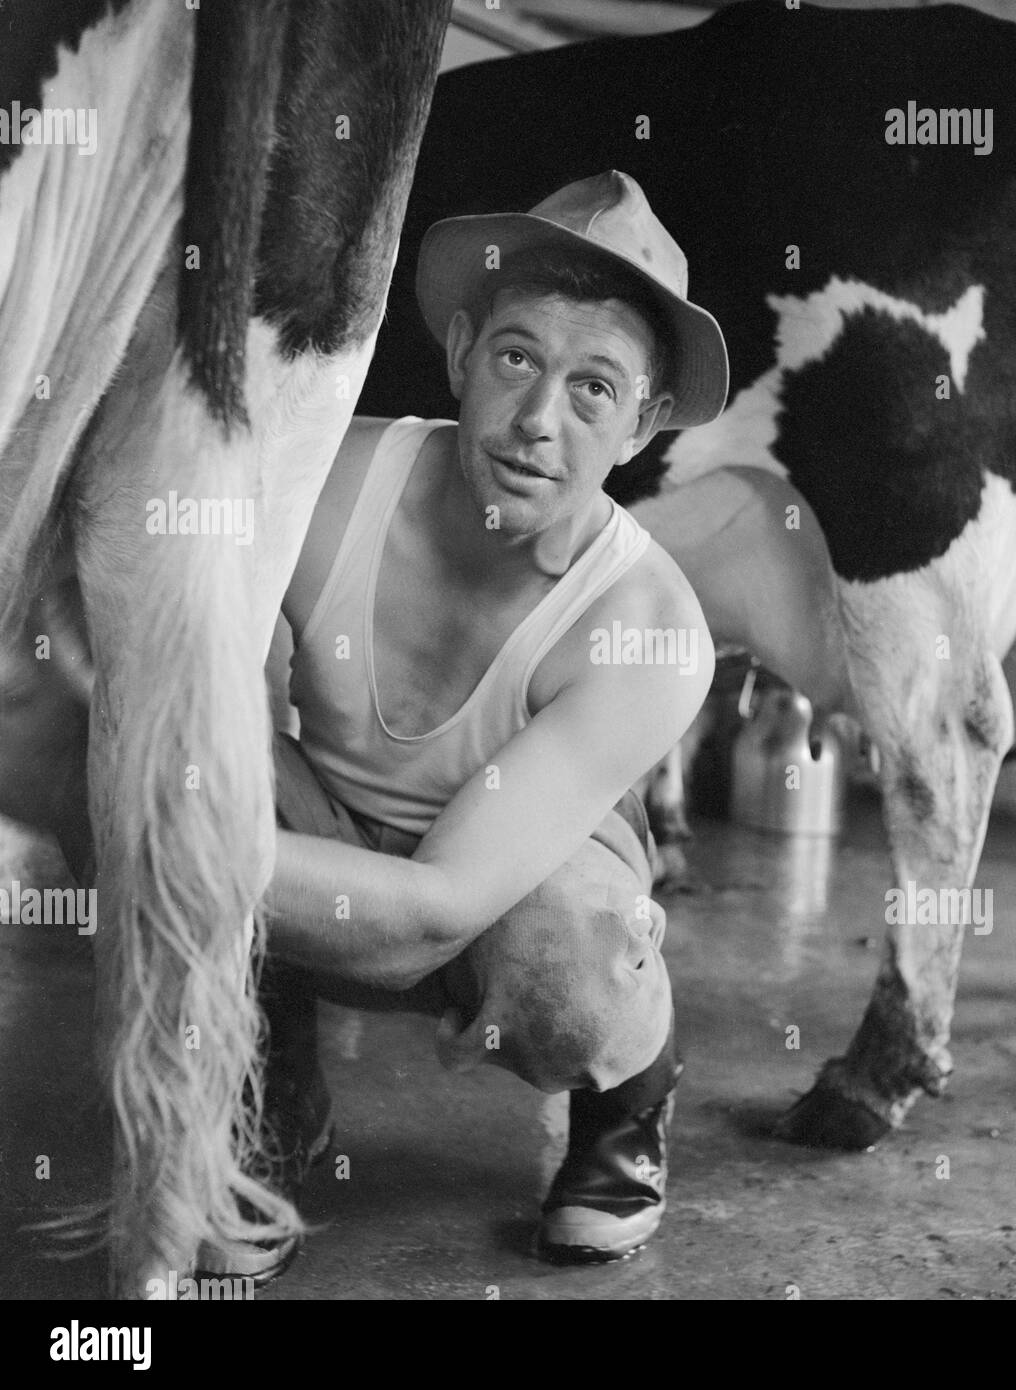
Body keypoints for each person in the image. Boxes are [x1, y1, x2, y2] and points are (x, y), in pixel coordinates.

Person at [209, 170, 729, 1278]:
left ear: (640, 424)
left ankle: (629, 1096)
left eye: (593, 389)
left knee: (570, 976)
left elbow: (439, 909)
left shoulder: (646, 626)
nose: (539, 420)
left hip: (501, 898)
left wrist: (165, 844)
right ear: (458, 355)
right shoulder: (324, 485)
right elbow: (209, 706)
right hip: (329, 838)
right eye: (516, 358)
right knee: (185, 755)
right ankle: (263, 1073)